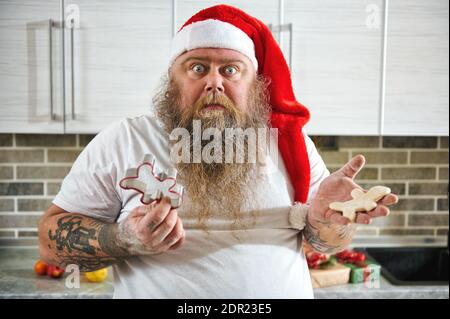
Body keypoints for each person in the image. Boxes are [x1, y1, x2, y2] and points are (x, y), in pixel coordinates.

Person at [38, 4, 398, 298]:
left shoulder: (289, 144)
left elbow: (326, 244)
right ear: (172, 79)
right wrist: (123, 238)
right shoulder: (124, 140)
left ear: (254, 84)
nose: (214, 81)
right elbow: (50, 244)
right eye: (197, 68)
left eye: (230, 69)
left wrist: (326, 222)